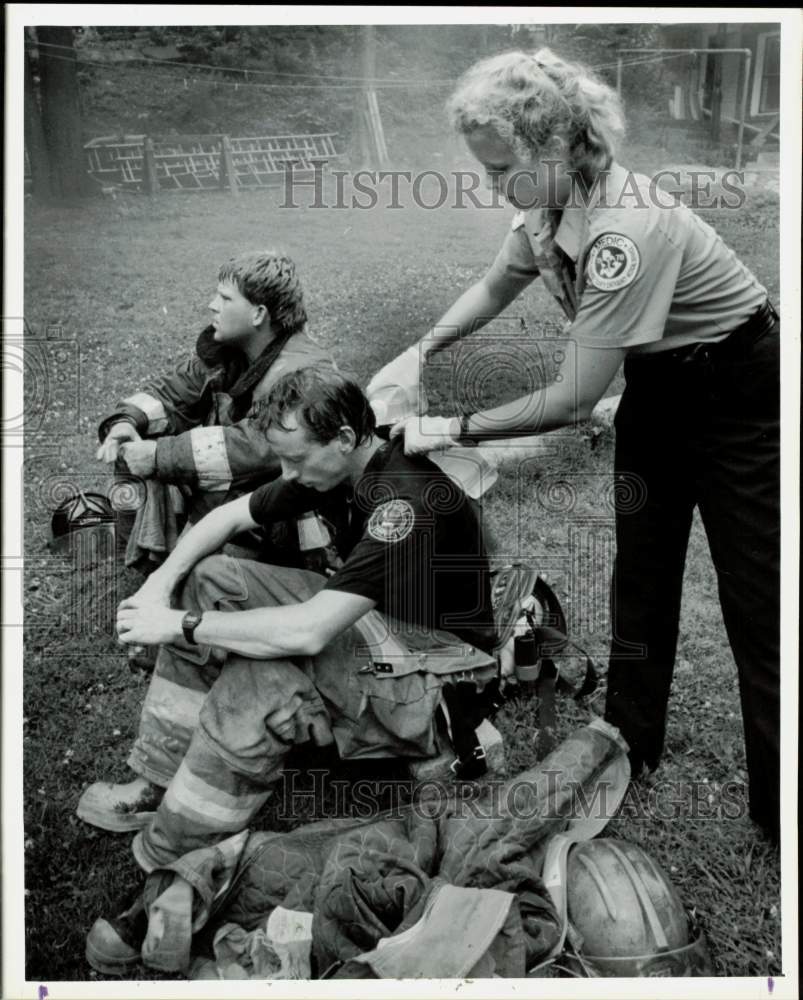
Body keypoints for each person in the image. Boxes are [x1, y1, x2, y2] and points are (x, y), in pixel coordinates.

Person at [368, 49, 780, 839]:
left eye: (500, 171)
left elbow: (571, 399)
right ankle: (630, 736)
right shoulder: (545, 203)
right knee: (643, 570)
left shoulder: (627, 226)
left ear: (557, 148)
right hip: (662, 387)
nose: (493, 188)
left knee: (757, 597)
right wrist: (421, 351)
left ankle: (779, 809)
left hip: (741, 393)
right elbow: (497, 283)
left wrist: (446, 428)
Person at [78, 368, 502, 973]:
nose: (288, 478)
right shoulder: (332, 464)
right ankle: (159, 780)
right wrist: (160, 584)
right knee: (212, 579)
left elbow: (310, 630)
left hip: (442, 676)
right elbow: (219, 523)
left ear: (348, 437)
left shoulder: (403, 502)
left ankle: (171, 865)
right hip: (383, 627)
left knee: (263, 677)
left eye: (296, 461)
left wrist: (180, 627)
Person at [97, 250, 334, 568]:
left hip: (281, 510)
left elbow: (258, 449)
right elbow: (171, 392)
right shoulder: (231, 350)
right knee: (139, 446)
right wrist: (129, 420)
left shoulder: (304, 369)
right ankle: (142, 565)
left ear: (258, 314)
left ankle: (232, 575)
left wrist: (159, 456)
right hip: (233, 493)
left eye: (225, 298)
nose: (212, 305)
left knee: (173, 468)